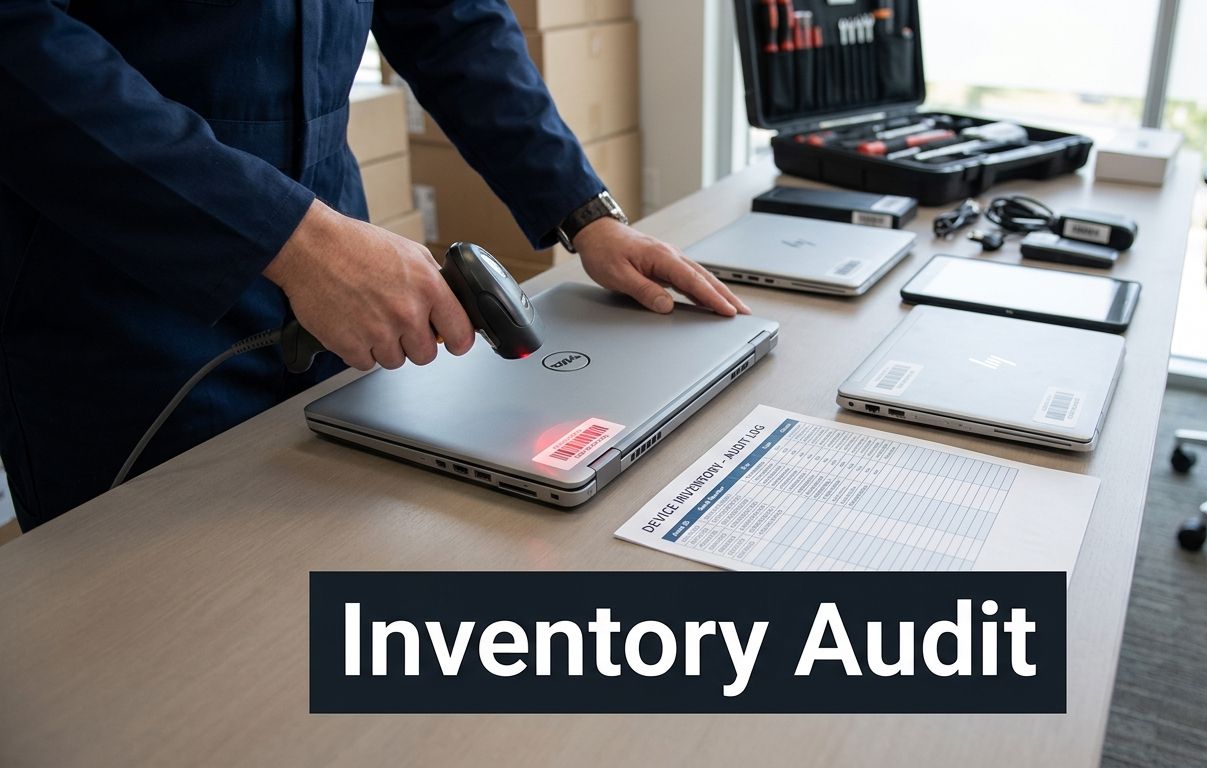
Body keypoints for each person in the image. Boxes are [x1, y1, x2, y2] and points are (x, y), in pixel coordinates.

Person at [0, 1, 747, 531]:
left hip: (333, 259)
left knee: (345, 554)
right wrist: (293, 239)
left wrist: (584, 212)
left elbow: (451, 18)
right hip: (117, 293)